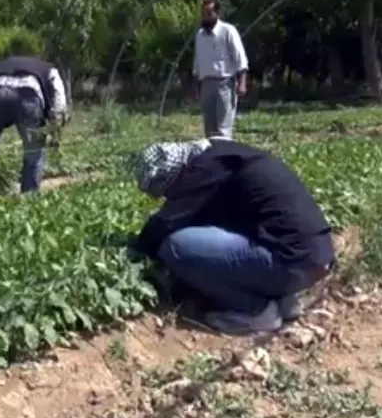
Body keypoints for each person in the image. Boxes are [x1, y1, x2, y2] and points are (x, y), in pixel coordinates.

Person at [127, 137, 335, 334]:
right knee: (212, 234)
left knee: (175, 246)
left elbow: (167, 222)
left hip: (290, 262)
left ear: (177, 175)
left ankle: (255, 311)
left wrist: (136, 253)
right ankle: (283, 298)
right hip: (315, 258)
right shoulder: (225, 156)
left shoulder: (204, 170)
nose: (170, 197)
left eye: (169, 191)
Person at [0, 52, 69, 197]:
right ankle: (29, 195)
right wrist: (55, 127)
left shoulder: (3, 64)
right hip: (27, 96)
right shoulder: (49, 69)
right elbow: (59, 101)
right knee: (34, 151)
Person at [192, 0, 249, 138]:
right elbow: (198, 62)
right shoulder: (200, 35)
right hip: (206, 84)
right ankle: (212, 157)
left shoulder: (228, 31)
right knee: (209, 128)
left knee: (223, 127)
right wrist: (196, 86)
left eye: (209, 14)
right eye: (203, 14)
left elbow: (240, 58)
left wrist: (242, 83)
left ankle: (224, 155)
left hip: (224, 84)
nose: (205, 17)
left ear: (217, 13)